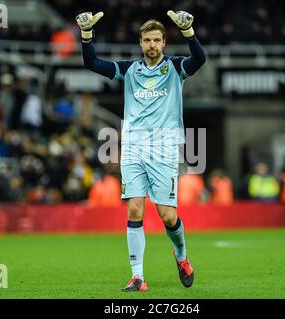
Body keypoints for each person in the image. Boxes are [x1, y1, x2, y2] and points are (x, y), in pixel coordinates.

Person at [76, 10, 206, 291]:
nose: (152, 45)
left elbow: (200, 59)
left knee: (167, 216)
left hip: (164, 149)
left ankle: (181, 256)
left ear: (164, 43)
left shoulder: (175, 68)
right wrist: (86, 35)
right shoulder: (129, 70)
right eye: (147, 40)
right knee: (134, 208)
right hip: (134, 149)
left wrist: (189, 32)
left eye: (157, 40)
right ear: (140, 43)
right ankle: (138, 277)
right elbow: (92, 62)